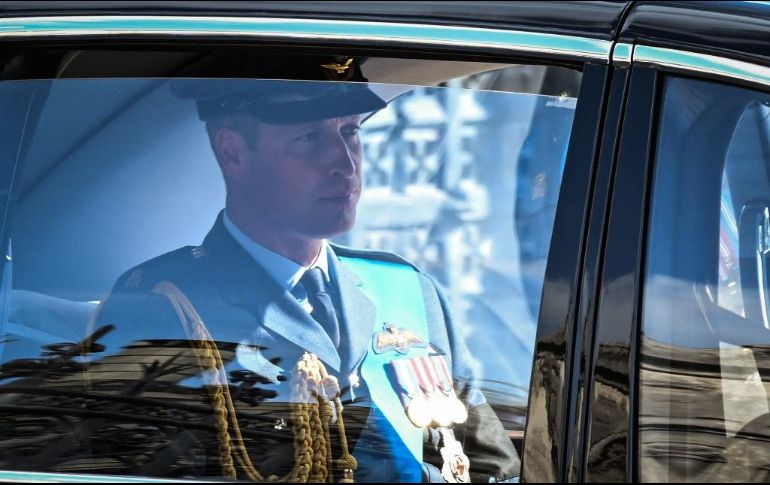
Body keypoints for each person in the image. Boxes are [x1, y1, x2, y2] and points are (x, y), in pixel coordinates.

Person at [89, 55, 521, 483]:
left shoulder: (405, 290)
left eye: (350, 131)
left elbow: (492, 469)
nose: (345, 164)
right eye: (309, 138)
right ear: (234, 153)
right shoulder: (157, 310)